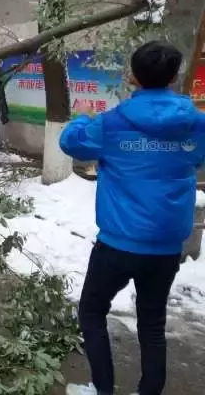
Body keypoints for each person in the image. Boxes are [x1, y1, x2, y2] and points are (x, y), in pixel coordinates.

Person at [60, 41, 205, 395]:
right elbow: (198, 158)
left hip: (117, 245)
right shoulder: (197, 124)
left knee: (92, 312)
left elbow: (71, 143)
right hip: (167, 246)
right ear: (174, 77)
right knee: (152, 324)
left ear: (132, 76)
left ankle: (102, 389)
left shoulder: (111, 124)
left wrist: (81, 119)